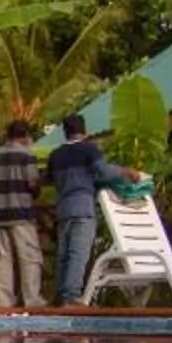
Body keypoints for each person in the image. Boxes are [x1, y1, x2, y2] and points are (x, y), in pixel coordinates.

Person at [43, 112, 106, 305]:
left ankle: (61, 296)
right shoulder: (89, 150)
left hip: (63, 209)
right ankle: (71, 296)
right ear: (84, 131)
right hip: (83, 208)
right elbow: (104, 172)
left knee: (64, 254)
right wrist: (126, 174)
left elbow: (47, 179)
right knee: (78, 253)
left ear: (65, 132)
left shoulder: (55, 155)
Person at [0, 118, 45, 307]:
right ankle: (32, 299)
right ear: (25, 136)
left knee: (4, 260)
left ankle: (4, 302)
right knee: (29, 257)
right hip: (22, 214)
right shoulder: (27, 155)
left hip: (0, 214)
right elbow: (32, 183)